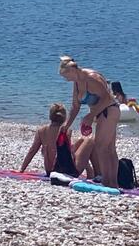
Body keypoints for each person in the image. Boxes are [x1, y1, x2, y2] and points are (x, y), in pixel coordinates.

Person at [59, 56, 119, 188]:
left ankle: (109, 182)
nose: (66, 79)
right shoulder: (76, 83)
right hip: (100, 113)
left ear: (72, 70)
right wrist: (67, 125)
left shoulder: (91, 78)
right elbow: (75, 106)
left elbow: (108, 99)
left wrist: (90, 115)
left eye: (65, 76)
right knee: (107, 148)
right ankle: (111, 182)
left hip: (109, 110)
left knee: (102, 147)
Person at [20, 103, 94, 177]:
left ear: (50, 116)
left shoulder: (41, 131)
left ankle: (89, 169)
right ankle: (91, 171)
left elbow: (32, 151)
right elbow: (69, 153)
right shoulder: (66, 131)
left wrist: (22, 169)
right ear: (64, 117)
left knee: (81, 141)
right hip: (68, 171)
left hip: (50, 171)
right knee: (89, 140)